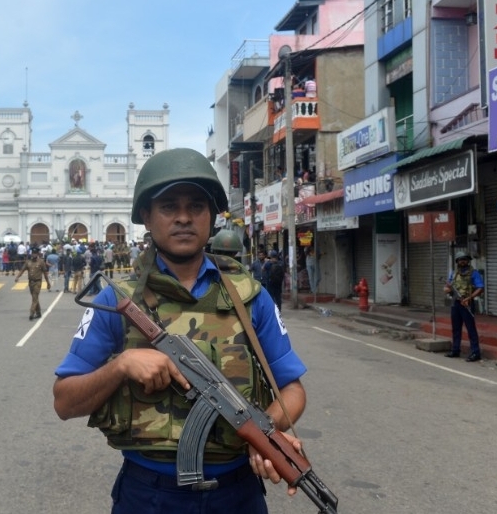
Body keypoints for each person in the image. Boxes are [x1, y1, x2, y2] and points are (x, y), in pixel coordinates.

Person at [53, 148, 307, 514]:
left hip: (237, 494)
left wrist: (265, 432)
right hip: (149, 493)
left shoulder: (249, 296)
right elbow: (64, 401)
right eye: (169, 206)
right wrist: (122, 364)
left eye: (196, 207)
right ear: (146, 216)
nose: (184, 218)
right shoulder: (118, 301)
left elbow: (293, 390)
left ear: (211, 216)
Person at [443, 252, 485, 362]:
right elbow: (448, 286)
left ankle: (476, 352)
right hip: (455, 303)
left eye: (465, 259)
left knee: (471, 328)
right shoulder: (453, 273)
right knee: (456, 328)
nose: (463, 261)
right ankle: (455, 349)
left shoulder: (473, 273)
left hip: (467, 303)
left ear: (468, 261)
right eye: (460, 259)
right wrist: (447, 289)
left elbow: (480, 288)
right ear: (457, 261)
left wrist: (469, 298)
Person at [15, 252, 50, 320]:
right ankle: (38, 312)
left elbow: (45, 273)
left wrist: (48, 283)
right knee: (35, 298)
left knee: (34, 298)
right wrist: (17, 277)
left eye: (35, 253)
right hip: (31, 282)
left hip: (38, 282)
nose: (34, 255)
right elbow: (22, 270)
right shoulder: (28, 262)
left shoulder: (41, 262)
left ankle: (32, 313)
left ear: (37, 254)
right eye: (33, 253)